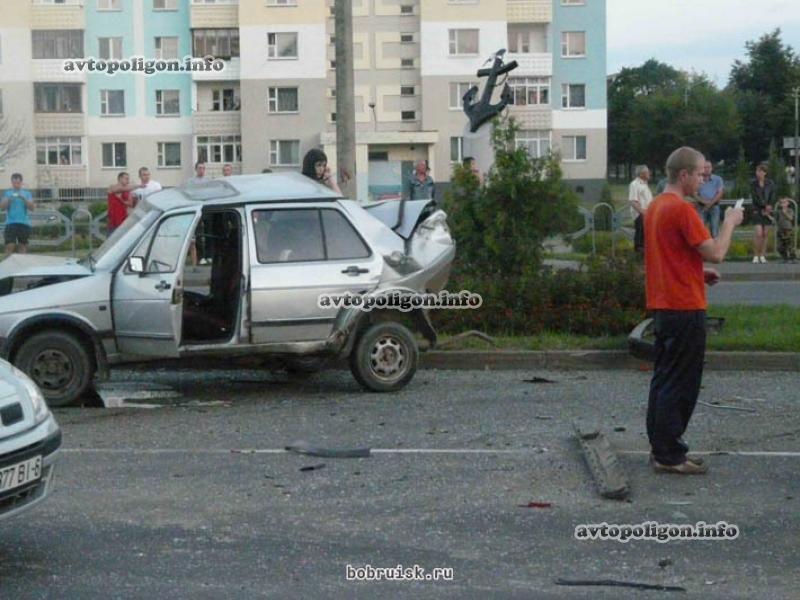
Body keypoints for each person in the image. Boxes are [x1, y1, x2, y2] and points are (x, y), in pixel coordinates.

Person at [644, 146, 744, 475]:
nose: (705, 180)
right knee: (682, 383)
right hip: (685, 307)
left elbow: (667, 256)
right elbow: (715, 252)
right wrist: (729, 222)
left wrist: (697, 275)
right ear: (684, 175)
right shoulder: (683, 210)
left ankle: (661, 448)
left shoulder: (655, 206)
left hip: (664, 305)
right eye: (700, 174)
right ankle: (670, 454)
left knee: (664, 379)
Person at [1, 173, 35, 254]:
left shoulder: (27, 193)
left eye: (18, 183)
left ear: (21, 182)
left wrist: (24, 199)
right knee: (9, 246)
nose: (16, 185)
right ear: (11, 182)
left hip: (24, 223)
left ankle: (22, 266)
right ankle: (8, 266)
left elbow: (32, 208)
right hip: (11, 223)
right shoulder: (7, 193)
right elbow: (2, 208)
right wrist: (9, 199)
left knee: (22, 247)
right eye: (14, 183)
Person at [751, 163, 776, 264]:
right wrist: (764, 206)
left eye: (760, 171)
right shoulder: (753, 183)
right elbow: (754, 197)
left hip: (768, 210)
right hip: (758, 210)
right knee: (758, 233)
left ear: (765, 172)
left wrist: (769, 206)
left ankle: (762, 255)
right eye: (757, 171)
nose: (758, 173)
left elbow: (773, 195)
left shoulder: (770, 183)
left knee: (765, 234)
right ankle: (756, 255)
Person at [628, 165, 653, 254]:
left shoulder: (644, 184)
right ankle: (639, 252)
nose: (649, 173)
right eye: (647, 172)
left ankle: (644, 251)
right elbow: (633, 200)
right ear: (642, 174)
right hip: (640, 214)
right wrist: (643, 212)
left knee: (645, 233)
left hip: (647, 213)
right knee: (640, 233)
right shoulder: (635, 184)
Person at [696, 160, 724, 237]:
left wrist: (709, 204)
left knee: (714, 231)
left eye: (709, 167)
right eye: (705, 167)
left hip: (714, 207)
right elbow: (694, 194)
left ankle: (715, 248)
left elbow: (720, 193)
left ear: (712, 168)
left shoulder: (718, 179)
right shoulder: (697, 180)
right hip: (701, 207)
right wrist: (704, 202)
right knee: (700, 230)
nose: (707, 169)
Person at [776, 198, 797, 263]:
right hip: (780, 230)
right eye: (782, 203)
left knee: (790, 245)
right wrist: (768, 215)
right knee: (780, 246)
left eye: (785, 202)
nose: (783, 204)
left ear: (788, 204)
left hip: (788, 229)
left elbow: (791, 218)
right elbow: (775, 219)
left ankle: (793, 258)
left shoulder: (790, 210)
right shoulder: (778, 211)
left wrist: (785, 213)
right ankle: (784, 258)